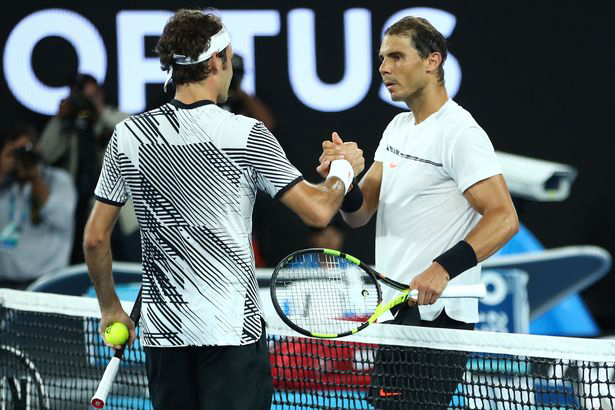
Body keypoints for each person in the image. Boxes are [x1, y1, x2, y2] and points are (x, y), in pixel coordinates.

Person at [83, 9, 364, 410]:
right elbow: (318, 212)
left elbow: (96, 238)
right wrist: (342, 170)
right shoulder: (244, 133)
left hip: (164, 338)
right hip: (232, 335)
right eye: (230, 57)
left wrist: (110, 307)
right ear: (216, 61)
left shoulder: (129, 135)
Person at [317, 16, 519, 409]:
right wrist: (343, 178)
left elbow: (504, 217)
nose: (383, 69)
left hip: (436, 317)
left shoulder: (460, 133)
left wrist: (442, 268)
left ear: (432, 61)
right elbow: (360, 213)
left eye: (396, 56)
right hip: (396, 312)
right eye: (381, 59)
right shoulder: (397, 127)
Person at [39, 74, 132, 263]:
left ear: (100, 94)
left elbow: (128, 143)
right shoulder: (69, 126)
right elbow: (46, 154)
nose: (86, 102)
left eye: (92, 96)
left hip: (119, 211)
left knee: (126, 269)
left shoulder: (117, 117)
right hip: (82, 209)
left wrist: (98, 112)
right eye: (82, 97)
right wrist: (60, 118)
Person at [0, 124, 77, 289]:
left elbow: (62, 219)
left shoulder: (58, 180)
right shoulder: (6, 184)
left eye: (25, 151)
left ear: (38, 149)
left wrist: (35, 179)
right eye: (15, 153)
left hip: (45, 283)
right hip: (5, 283)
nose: (21, 158)